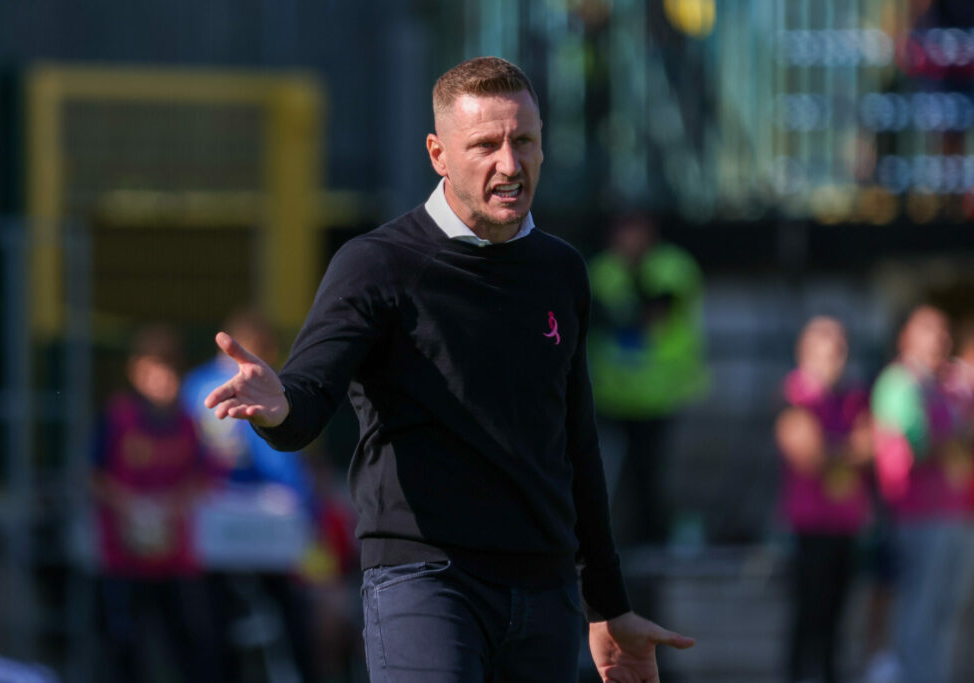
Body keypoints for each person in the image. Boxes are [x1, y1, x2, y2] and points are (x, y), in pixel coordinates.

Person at [204, 56, 694, 683]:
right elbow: (308, 398)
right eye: (486, 145)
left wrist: (607, 604)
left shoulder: (562, 270)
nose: (510, 164)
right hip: (424, 578)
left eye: (524, 141)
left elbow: (575, 442)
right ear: (438, 154)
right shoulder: (377, 264)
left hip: (544, 590)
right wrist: (279, 407)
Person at [180, 309, 322, 682]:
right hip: (253, 517)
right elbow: (278, 458)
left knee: (220, 618)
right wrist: (308, 508)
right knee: (282, 611)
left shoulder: (193, 384)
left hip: (219, 517)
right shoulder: (251, 384)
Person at [91, 324, 222, 683]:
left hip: (176, 561)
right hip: (124, 560)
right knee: (125, 648)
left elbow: (203, 477)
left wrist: (172, 504)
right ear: (136, 372)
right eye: (154, 372)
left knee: (191, 646)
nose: (163, 381)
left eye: (170, 371)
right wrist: (130, 505)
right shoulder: (117, 417)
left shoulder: (188, 423)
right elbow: (94, 476)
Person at [870, 305, 974, 683]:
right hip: (918, 515)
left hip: (955, 514)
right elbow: (918, 447)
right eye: (929, 329)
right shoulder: (900, 383)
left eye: (943, 330)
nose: (940, 338)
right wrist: (964, 438)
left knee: (948, 612)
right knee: (920, 609)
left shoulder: (946, 385)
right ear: (906, 336)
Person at [588, 212, 708, 546]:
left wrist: (619, 314)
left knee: (649, 474)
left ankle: (651, 537)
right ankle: (617, 536)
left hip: (660, 394)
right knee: (609, 473)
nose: (629, 240)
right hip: (611, 395)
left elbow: (655, 312)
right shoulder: (601, 269)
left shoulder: (673, 266)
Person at [774, 316, 872, 683]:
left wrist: (835, 450)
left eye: (839, 352)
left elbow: (871, 446)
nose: (834, 361)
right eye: (826, 353)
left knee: (837, 620)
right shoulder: (794, 394)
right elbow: (807, 453)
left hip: (846, 522)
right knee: (808, 617)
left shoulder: (852, 396)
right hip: (809, 525)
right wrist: (848, 450)